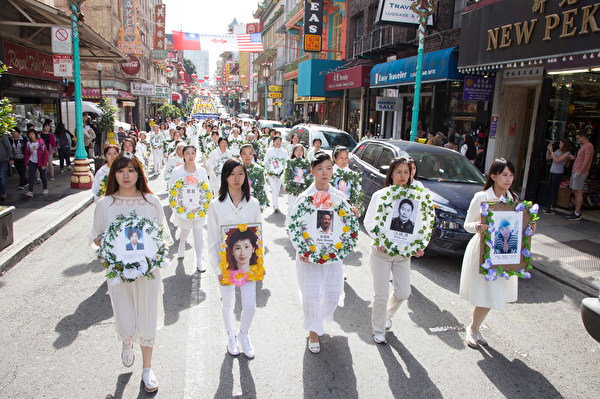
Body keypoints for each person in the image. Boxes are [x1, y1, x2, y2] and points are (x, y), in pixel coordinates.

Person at [90, 152, 171, 392]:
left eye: (131, 170)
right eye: (120, 170)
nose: (126, 175)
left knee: (147, 316)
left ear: (139, 173)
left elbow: (163, 237)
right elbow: (96, 238)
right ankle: (126, 341)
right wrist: (111, 246)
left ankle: (147, 369)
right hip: (119, 273)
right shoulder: (105, 204)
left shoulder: (151, 201)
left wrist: (153, 254)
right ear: (113, 174)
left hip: (148, 272)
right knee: (125, 318)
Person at [459, 158, 535, 348]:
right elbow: (467, 225)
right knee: (487, 293)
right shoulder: (481, 197)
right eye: (504, 175)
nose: (509, 179)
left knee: (493, 294)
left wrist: (530, 227)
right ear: (493, 176)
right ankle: (473, 328)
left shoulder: (514, 200)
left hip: (505, 253)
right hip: (483, 251)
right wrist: (477, 226)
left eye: (511, 175)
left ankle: (475, 327)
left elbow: (519, 228)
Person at [293, 152, 360, 353]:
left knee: (331, 292)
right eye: (320, 168)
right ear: (312, 170)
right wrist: (302, 250)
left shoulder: (339, 197)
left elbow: (345, 224)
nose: (325, 173)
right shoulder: (305, 198)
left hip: (331, 255)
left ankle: (315, 320)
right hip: (309, 257)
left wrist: (353, 215)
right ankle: (313, 331)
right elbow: (294, 226)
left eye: (329, 168)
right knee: (312, 293)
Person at [364, 157, 425, 344]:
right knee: (380, 294)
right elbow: (369, 222)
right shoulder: (381, 195)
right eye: (398, 172)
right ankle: (379, 328)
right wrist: (378, 239)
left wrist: (420, 245)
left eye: (406, 172)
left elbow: (422, 223)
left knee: (403, 292)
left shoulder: (416, 198)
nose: (403, 176)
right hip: (381, 254)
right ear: (391, 174)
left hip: (402, 255)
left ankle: (386, 314)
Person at [207, 158, 262, 358]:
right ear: (225, 177)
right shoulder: (216, 205)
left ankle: (243, 333)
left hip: (248, 264)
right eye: (232, 174)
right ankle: (231, 335)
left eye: (240, 173)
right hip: (226, 264)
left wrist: (258, 264)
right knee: (228, 303)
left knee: (249, 305)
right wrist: (218, 268)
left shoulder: (253, 203)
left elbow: (258, 236)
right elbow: (212, 239)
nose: (236, 178)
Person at [169, 145, 209, 272]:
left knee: (198, 232)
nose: (190, 156)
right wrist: (174, 205)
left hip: (198, 209)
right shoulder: (177, 171)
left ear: (195, 155)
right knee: (185, 231)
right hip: (184, 209)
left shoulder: (201, 171)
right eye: (187, 153)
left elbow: (206, 190)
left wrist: (205, 205)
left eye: (193, 153)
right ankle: (181, 245)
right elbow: (172, 189)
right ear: (183, 155)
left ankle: (199, 260)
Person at [567, 131, 594, 221]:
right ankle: (576, 211)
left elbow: (586, 160)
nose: (577, 140)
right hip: (577, 171)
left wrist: (579, 172)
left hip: (580, 172)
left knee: (578, 192)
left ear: (583, 137)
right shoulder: (584, 147)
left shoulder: (588, 146)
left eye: (578, 138)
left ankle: (577, 212)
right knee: (575, 191)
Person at [544, 137, 571, 215]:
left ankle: (553, 208)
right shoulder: (557, 151)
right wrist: (549, 150)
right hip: (552, 171)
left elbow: (557, 160)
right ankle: (550, 205)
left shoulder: (567, 153)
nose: (560, 145)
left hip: (558, 173)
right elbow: (548, 158)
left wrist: (552, 151)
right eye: (560, 144)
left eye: (561, 144)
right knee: (550, 189)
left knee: (554, 190)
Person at [240, 144, 269, 212]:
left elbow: (263, 187)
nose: (247, 156)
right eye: (245, 154)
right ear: (241, 155)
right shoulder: (237, 168)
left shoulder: (258, 169)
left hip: (254, 201)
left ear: (253, 154)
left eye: (250, 153)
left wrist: (262, 201)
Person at [264, 136, 287, 212]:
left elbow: (286, 162)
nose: (277, 142)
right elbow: (266, 161)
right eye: (276, 140)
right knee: (274, 188)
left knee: (277, 189)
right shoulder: (269, 151)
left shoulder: (284, 152)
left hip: (280, 174)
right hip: (271, 174)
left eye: (279, 141)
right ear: (273, 142)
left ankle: (275, 202)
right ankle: (275, 205)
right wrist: (268, 170)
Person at [24, 129, 49, 197]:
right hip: (32, 161)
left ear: (35, 134)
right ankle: (30, 191)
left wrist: (44, 164)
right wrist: (26, 164)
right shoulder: (28, 144)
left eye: (32, 134)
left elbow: (45, 154)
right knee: (31, 176)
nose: (31, 136)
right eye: (29, 134)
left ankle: (45, 188)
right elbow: (26, 154)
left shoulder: (41, 143)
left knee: (43, 175)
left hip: (40, 161)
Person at [0, 132, 14, 201]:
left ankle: (2, 193)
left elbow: (8, 146)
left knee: (2, 177)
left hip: (3, 159)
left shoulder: (2, 135)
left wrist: (11, 157)